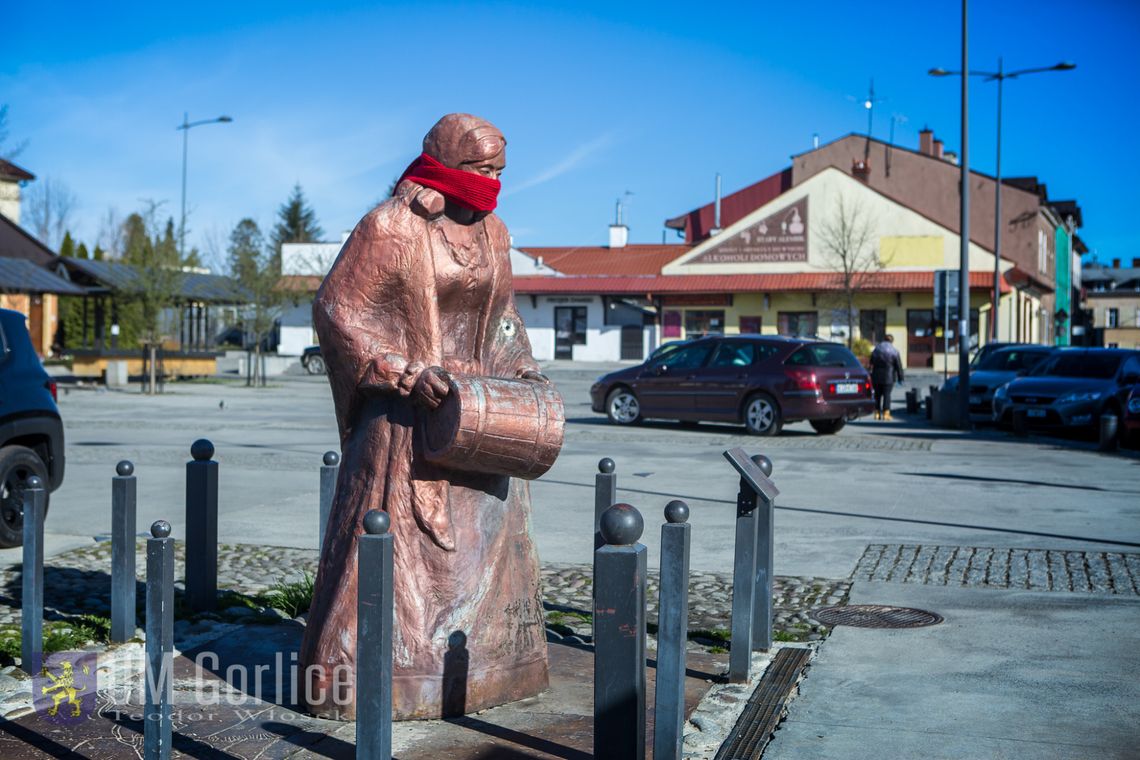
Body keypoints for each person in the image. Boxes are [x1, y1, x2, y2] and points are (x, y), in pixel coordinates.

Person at [300, 114, 551, 720]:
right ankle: (379, 682)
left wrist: (523, 370)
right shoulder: (390, 227)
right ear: (443, 164)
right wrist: (405, 373)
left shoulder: (495, 234)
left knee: (483, 547)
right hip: (405, 421)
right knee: (395, 552)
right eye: (478, 170)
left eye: (498, 172)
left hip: (483, 412)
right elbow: (338, 312)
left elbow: (504, 318)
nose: (491, 183)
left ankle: (487, 672)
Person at [869, 334, 904, 420]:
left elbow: (871, 362)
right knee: (887, 395)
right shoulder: (894, 351)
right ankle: (886, 413)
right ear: (892, 341)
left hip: (876, 376)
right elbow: (898, 366)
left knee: (877, 395)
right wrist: (900, 378)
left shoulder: (876, 350)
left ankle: (876, 413)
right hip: (888, 377)